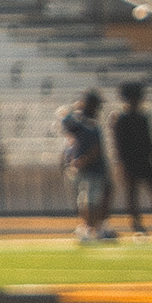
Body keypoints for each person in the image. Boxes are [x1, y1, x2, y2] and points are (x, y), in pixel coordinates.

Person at [110, 80, 152, 241]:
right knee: (133, 193)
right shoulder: (120, 118)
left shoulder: (143, 117)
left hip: (145, 159)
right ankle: (137, 226)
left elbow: (150, 140)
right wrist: (121, 164)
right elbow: (118, 144)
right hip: (130, 161)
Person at [58, 88, 115, 243]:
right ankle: (89, 229)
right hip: (90, 168)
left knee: (93, 200)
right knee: (89, 201)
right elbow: (65, 121)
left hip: (92, 168)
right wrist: (82, 160)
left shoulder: (89, 124)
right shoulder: (83, 124)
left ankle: (95, 228)